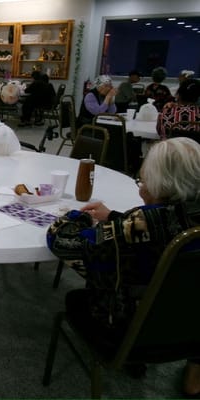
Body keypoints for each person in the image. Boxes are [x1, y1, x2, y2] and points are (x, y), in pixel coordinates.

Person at [46, 137, 200, 396]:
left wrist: (77, 215)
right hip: (190, 323)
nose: (141, 186)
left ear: (158, 182)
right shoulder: (178, 218)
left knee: (76, 298)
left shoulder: (135, 228)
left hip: (130, 331)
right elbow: (160, 232)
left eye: (142, 180)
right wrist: (118, 218)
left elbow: (61, 241)